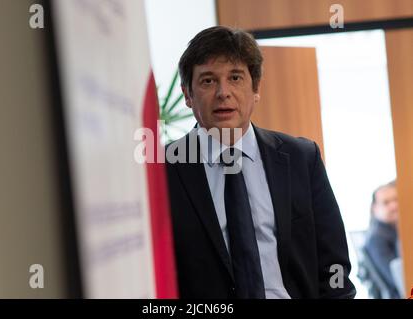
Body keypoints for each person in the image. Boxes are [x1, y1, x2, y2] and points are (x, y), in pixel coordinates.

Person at [164, 26, 355, 299]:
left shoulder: (302, 158)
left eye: (235, 77)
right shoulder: (163, 171)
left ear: (256, 88)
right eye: (208, 81)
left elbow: (334, 263)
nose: (223, 92)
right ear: (187, 94)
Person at [364, 181, 401, 298]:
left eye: (396, 200)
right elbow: (398, 279)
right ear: (375, 208)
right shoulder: (377, 239)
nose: (394, 206)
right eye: (386, 202)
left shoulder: (396, 229)